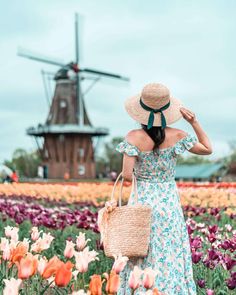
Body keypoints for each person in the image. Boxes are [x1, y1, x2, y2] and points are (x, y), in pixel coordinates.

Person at [115, 83, 212, 295]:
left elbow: (128, 176)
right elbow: (207, 149)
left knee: (140, 250)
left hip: (142, 203)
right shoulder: (178, 135)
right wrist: (194, 122)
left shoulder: (133, 137)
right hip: (169, 204)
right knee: (170, 252)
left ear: (140, 111)